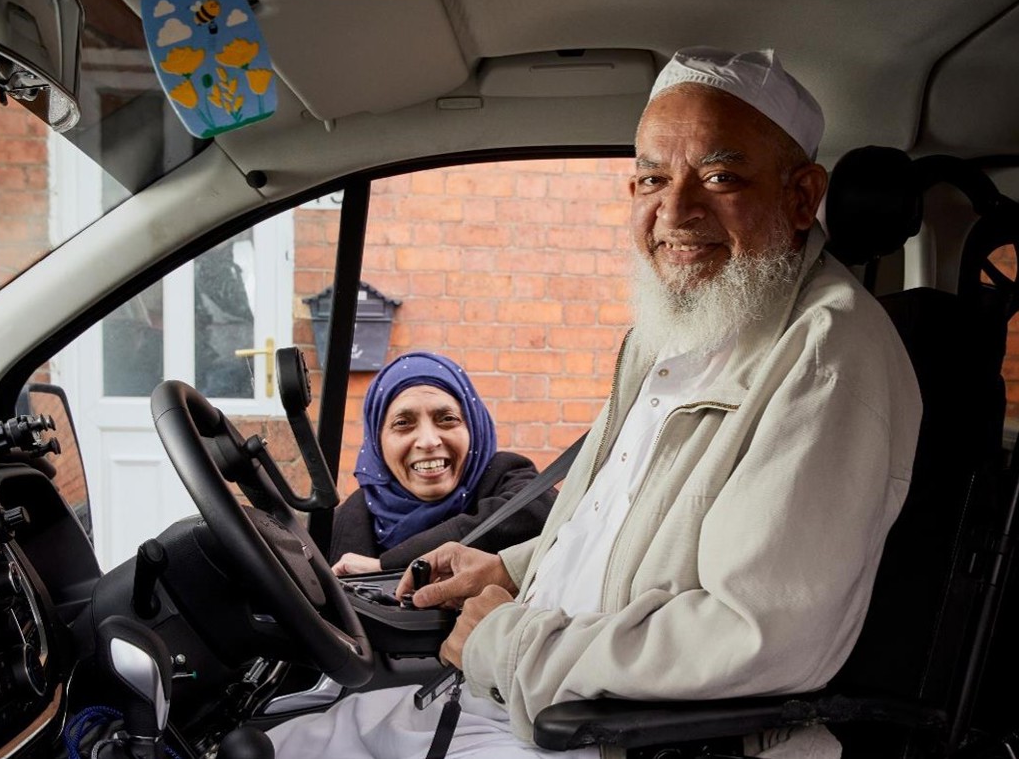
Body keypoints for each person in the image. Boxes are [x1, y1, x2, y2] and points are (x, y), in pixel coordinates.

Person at [270, 47, 922, 759]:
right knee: (276, 737)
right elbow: (617, 532)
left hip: (618, 737)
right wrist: (510, 570)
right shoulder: (676, 331)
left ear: (800, 197)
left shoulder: (826, 355)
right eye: (652, 179)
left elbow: (758, 635)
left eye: (720, 177)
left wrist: (508, 642)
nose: (675, 211)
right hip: (535, 699)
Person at [329, 351, 556, 575]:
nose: (428, 441)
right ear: (376, 441)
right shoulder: (337, 525)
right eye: (403, 423)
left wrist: (386, 567)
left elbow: (540, 512)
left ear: (473, 427)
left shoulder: (505, 476)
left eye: (447, 419)